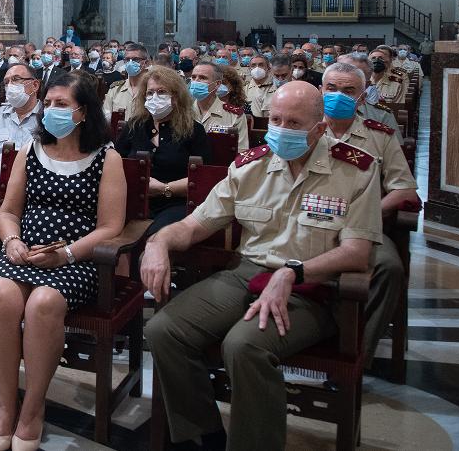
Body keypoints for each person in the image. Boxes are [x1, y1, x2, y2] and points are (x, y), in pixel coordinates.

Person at [142, 82, 382, 450]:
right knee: (164, 330)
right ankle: (202, 436)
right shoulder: (249, 167)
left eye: (294, 123)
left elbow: (357, 252)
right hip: (247, 274)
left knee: (244, 346)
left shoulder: (355, 169)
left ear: (319, 128)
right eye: (276, 119)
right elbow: (195, 225)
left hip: (313, 289)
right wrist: (158, 243)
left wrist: (292, 273)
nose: (281, 129)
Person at [0, 71, 127, 450]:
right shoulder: (32, 149)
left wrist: (65, 254)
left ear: (83, 112)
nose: (51, 110)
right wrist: (11, 240)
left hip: (76, 258)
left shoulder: (106, 158)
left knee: (44, 303)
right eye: (48, 103)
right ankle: (5, 403)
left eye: (61, 104)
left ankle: (32, 408)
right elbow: (8, 210)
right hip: (25, 250)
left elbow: (110, 227)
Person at [319, 61, 420, 361]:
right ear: (320, 91)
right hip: (311, 218)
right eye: (332, 89)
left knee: (389, 268)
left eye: (349, 91)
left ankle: (356, 355)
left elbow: (404, 189)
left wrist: (368, 212)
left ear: (363, 97)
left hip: (365, 226)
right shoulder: (306, 128)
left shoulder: (380, 135)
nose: (339, 96)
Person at [114, 66, 211, 235]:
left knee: (154, 235)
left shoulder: (194, 130)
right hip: (132, 200)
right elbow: (114, 165)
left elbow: (203, 179)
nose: (154, 97)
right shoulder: (134, 126)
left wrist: (165, 188)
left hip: (176, 203)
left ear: (175, 97)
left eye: (162, 92)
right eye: (150, 93)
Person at [0, 63, 43, 258]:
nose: (10, 85)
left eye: (17, 80)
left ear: (34, 85)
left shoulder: (47, 117)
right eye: (6, 82)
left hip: (33, 193)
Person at [190, 63, 250, 152]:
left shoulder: (235, 115)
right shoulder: (182, 111)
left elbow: (241, 152)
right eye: (193, 77)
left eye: (203, 78)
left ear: (217, 84)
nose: (196, 81)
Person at [102, 43, 149, 118]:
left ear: (146, 63)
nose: (130, 63)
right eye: (127, 59)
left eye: (135, 59)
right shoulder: (115, 90)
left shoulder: (151, 89)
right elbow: (106, 119)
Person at [245, 53, 274, 119]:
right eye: (253, 65)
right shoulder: (244, 89)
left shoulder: (275, 86)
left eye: (261, 65)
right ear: (249, 69)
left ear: (268, 68)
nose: (257, 68)